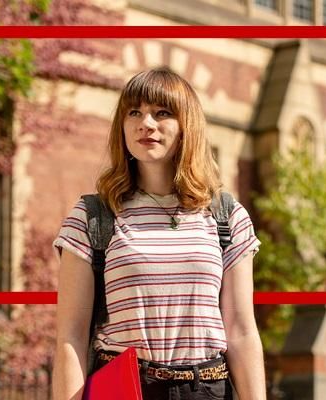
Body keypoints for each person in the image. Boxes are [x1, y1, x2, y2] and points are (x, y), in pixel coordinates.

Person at [52, 67, 265, 400]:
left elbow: (241, 332)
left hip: (207, 390)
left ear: (186, 127)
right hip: (122, 388)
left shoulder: (226, 217)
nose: (145, 123)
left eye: (162, 113)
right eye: (134, 112)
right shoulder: (92, 217)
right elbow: (71, 338)